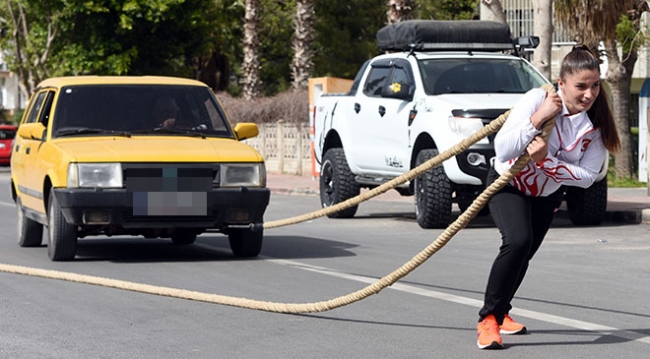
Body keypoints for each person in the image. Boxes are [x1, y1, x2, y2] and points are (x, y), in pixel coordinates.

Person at [476, 45, 621, 349]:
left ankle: (502, 312)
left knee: (524, 254)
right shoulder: (536, 99)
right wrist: (539, 118)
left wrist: (545, 162)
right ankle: (488, 320)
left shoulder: (594, 124)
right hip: (509, 183)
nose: (589, 93)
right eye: (581, 86)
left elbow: (587, 177)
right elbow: (503, 149)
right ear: (562, 82)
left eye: (595, 85)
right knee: (517, 241)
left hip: (546, 194)